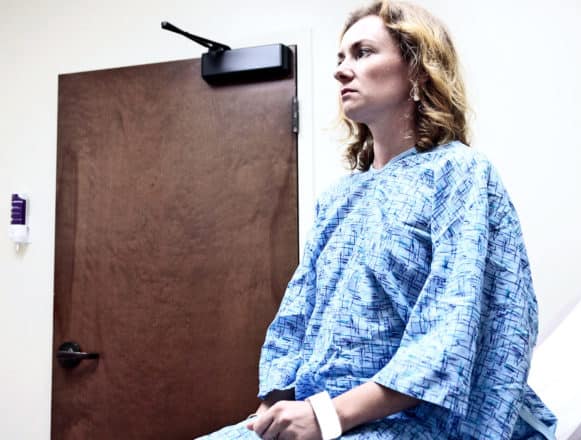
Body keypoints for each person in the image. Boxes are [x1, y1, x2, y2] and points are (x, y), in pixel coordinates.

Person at [200, 1, 556, 439]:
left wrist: (328, 418)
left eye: (363, 52)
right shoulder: (337, 199)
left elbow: (450, 331)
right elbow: (297, 317)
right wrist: (268, 419)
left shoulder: (458, 175)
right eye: (340, 58)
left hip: (412, 424)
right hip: (321, 417)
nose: (341, 71)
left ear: (418, 70)